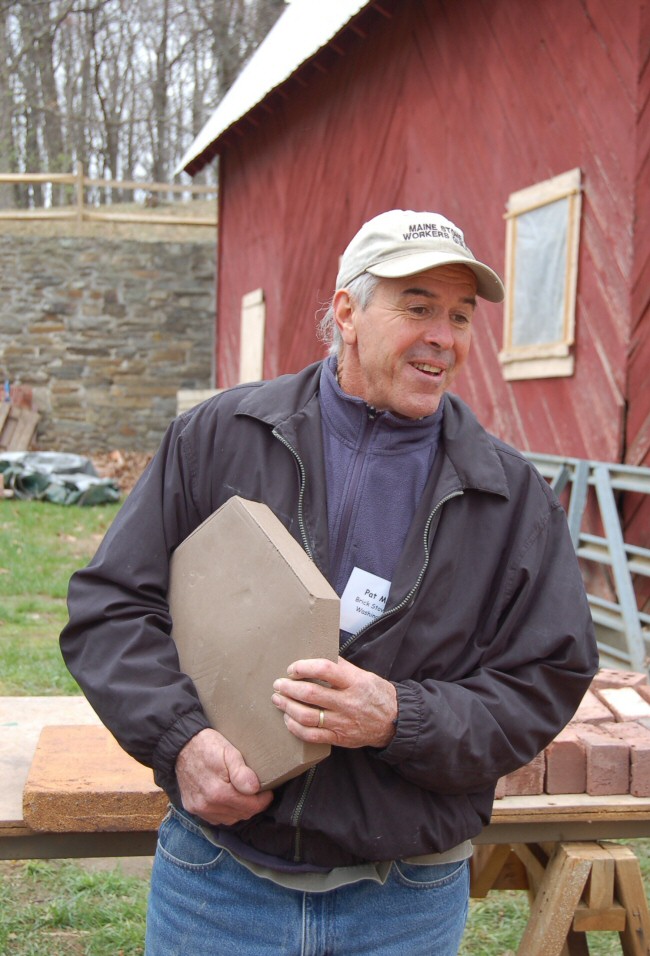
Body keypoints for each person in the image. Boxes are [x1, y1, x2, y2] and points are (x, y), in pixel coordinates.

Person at [60, 209, 598, 956]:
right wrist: (180, 741)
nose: (445, 336)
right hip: (219, 881)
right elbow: (111, 606)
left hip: (405, 901)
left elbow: (545, 677)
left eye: (461, 315)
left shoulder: (510, 499)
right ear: (347, 310)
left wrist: (398, 716)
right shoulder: (220, 436)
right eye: (418, 307)